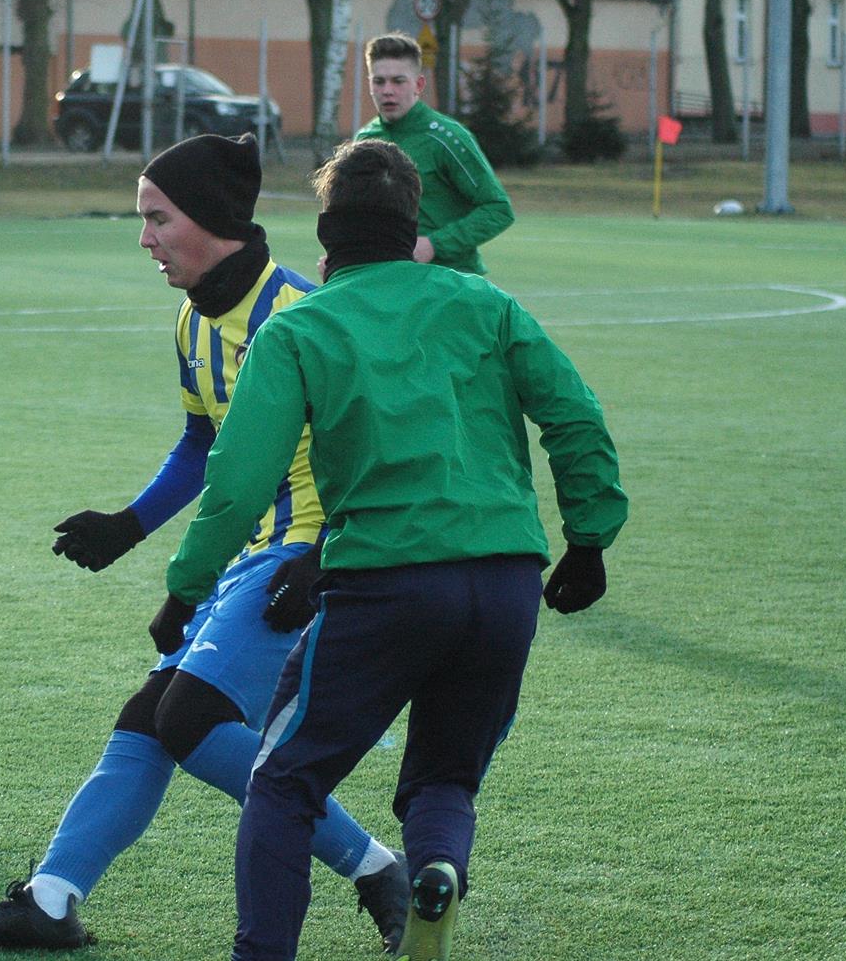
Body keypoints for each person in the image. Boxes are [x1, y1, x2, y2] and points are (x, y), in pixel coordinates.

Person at [0, 133, 409, 954]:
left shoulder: (301, 314)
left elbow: (379, 452)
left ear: (212, 221)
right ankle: (50, 899)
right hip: (244, 555)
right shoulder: (192, 319)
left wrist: (321, 556)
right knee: (151, 718)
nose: (143, 237)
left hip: (306, 557)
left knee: (188, 719)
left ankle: (373, 865)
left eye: (157, 218)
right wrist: (128, 526)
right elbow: (201, 444)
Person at [161, 138, 627, 961]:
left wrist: (186, 586)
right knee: (444, 776)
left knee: (284, 780)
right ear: (412, 224)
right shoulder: (486, 305)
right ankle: (436, 869)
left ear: (326, 232)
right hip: (506, 581)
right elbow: (575, 416)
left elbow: (237, 481)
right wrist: (587, 539)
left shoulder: (302, 326)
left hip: (386, 584)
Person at [353, 31, 514, 275]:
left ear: (418, 85)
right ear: (370, 84)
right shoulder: (363, 141)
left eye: (398, 81)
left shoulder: (446, 137)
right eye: (379, 81)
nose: (387, 90)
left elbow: (498, 209)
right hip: (391, 281)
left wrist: (435, 245)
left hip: (450, 282)